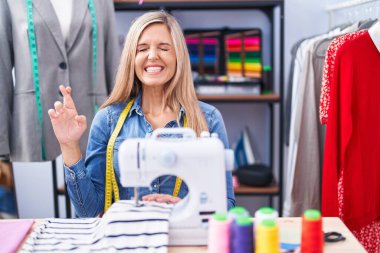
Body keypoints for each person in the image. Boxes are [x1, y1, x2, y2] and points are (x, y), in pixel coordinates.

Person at [48, 11, 235, 217]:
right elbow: (89, 212)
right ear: (132, 58)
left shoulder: (208, 119)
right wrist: (69, 145)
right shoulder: (108, 120)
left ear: (178, 57)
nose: (152, 55)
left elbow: (225, 205)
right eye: (142, 49)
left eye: (164, 48)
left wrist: (186, 206)